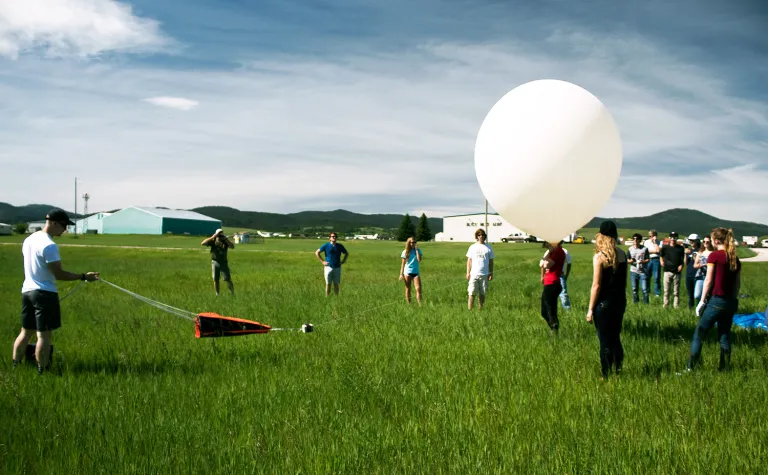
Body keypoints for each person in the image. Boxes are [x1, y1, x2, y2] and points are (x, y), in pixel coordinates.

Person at [12, 209, 99, 374]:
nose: (65, 229)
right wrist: (84, 277)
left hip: (27, 292)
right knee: (44, 337)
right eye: (64, 225)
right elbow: (58, 274)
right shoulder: (49, 245)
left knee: (25, 332)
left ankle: (15, 366)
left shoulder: (29, 239)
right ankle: (42, 370)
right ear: (53, 223)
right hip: (44, 294)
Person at [687, 227, 741, 371]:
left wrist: (702, 301)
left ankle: (691, 368)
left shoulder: (715, 256)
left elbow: (708, 280)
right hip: (730, 302)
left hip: (716, 301)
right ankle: (724, 368)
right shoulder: (734, 258)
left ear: (716, 241)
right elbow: (737, 284)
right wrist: (732, 300)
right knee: (724, 336)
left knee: (699, 333)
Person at [585, 220, 628, 380]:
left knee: (604, 341)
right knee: (615, 337)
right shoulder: (622, 254)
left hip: (603, 304)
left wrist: (590, 309)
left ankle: (606, 375)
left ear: (601, 236)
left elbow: (596, 286)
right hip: (619, 301)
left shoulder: (599, 257)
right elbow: (623, 282)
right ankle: (618, 369)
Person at [540, 240, 566, 333]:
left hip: (552, 283)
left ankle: (554, 329)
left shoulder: (558, 251)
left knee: (550, 310)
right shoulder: (556, 251)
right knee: (544, 311)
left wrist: (550, 252)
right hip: (550, 283)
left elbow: (546, 265)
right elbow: (543, 263)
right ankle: (553, 328)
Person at [466, 228, 494, 310]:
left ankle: (480, 309)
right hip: (474, 274)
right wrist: (468, 273)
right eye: (479, 235)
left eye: (482, 235)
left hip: (484, 274)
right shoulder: (472, 247)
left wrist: (491, 273)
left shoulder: (488, 248)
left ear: (485, 236)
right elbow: (469, 261)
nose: (481, 236)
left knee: (482, 293)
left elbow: (491, 262)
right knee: (471, 293)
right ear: (477, 237)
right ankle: (469, 310)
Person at [201, 229, 235, 296]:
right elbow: (203, 243)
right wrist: (212, 237)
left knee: (227, 279)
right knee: (215, 279)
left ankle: (232, 293)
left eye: (221, 234)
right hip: (215, 262)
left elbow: (232, 246)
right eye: (218, 234)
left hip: (223, 262)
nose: (219, 236)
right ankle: (217, 294)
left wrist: (226, 239)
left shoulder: (225, 242)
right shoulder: (213, 241)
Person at [315, 232, 349, 296]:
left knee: (336, 284)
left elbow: (346, 253)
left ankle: (336, 298)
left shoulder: (339, 246)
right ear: (329, 238)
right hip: (328, 267)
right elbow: (317, 252)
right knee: (328, 284)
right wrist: (322, 261)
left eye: (335, 236)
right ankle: (327, 297)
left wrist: (343, 261)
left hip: (337, 267)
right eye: (333, 236)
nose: (334, 237)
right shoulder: (326, 245)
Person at [660, 231, 686, 308]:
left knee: (676, 291)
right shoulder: (665, 247)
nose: (673, 239)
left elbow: (682, 259)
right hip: (667, 270)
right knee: (666, 291)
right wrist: (661, 261)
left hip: (677, 272)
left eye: (674, 237)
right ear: (669, 238)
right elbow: (661, 255)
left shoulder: (680, 248)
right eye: (671, 237)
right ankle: (665, 305)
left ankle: (676, 306)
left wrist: (681, 265)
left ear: (677, 238)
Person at [399, 237, 423, 304]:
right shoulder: (405, 252)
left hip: (416, 272)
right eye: (412, 242)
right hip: (407, 272)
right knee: (408, 289)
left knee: (418, 288)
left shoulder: (418, 250)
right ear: (409, 243)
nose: (413, 243)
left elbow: (419, 260)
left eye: (415, 242)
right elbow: (403, 264)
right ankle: (409, 304)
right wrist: (401, 274)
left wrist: (416, 250)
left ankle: (420, 304)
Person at [627, 233, 650, 304]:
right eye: (634, 238)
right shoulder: (630, 249)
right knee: (634, 289)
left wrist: (642, 261)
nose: (635, 240)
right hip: (633, 271)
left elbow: (648, 259)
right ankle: (635, 302)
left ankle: (646, 303)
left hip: (643, 271)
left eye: (636, 239)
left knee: (644, 289)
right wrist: (631, 261)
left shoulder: (644, 249)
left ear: (639, 240)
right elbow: (627, 260)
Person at [693, 235, 714, 303]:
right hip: (701, 275)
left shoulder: (713, 253)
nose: (705, 243)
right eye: (704, 241)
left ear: (710, 242)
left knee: (708, 295)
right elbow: (695, 265)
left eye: (707, 242)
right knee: (697, 295)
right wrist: (701, 265)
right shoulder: (700, 252)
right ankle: (700, 304)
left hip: (710, 276)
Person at [643, 229, 662, 297]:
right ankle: (647, 291)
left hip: (656, 260)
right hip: (648, 260)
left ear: (655, 236)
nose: (650, 237)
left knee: (656, 277)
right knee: (647, 276)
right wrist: (655, 251)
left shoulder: (659, 242)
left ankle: (657, 293)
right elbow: (645, 251)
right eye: (649, 236)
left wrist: (655, 243)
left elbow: (659, 251)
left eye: (651, 236)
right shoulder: (646, 242)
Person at [684, 234, 701, 309]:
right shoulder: (689, 250)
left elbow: (697, 261)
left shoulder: (700, 251)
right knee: (690, 293)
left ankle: (698, 308)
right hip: (689, 273)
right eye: (690, 240)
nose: (691, 242)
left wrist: (691, 253)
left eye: (693, 241)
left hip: (697, 274)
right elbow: (686, 263)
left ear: (697, 241)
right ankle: (690, 308)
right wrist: (685, 254)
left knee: (697, 294)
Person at [559, 242, 572, 310]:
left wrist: (566, 275)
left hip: (561, 274)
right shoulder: (549, 251)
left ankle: (567, 310)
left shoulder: (565, 251)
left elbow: (569, 263)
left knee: (563, 293)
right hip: (551, 274)